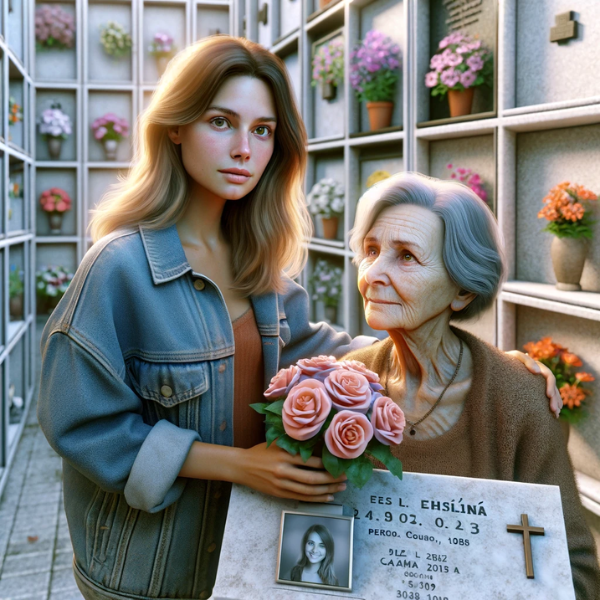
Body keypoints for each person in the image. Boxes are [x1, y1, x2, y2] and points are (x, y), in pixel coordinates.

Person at [36, 36, 560, 600]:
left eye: (262, 130)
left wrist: (483, 364)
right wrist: (239, 465)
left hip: (242, 560)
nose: (243, 148)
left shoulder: (258, 266)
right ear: (175, 126)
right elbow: (82, 426)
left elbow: (323, 349)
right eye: (221, 121)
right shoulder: (117, 269)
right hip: (148, 572)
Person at [342, 172, 600, 599]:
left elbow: (576, 574)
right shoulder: (342, 386)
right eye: (371, 250)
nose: (373, 273)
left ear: (461, 290)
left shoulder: (519, 399)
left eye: (406, 256)